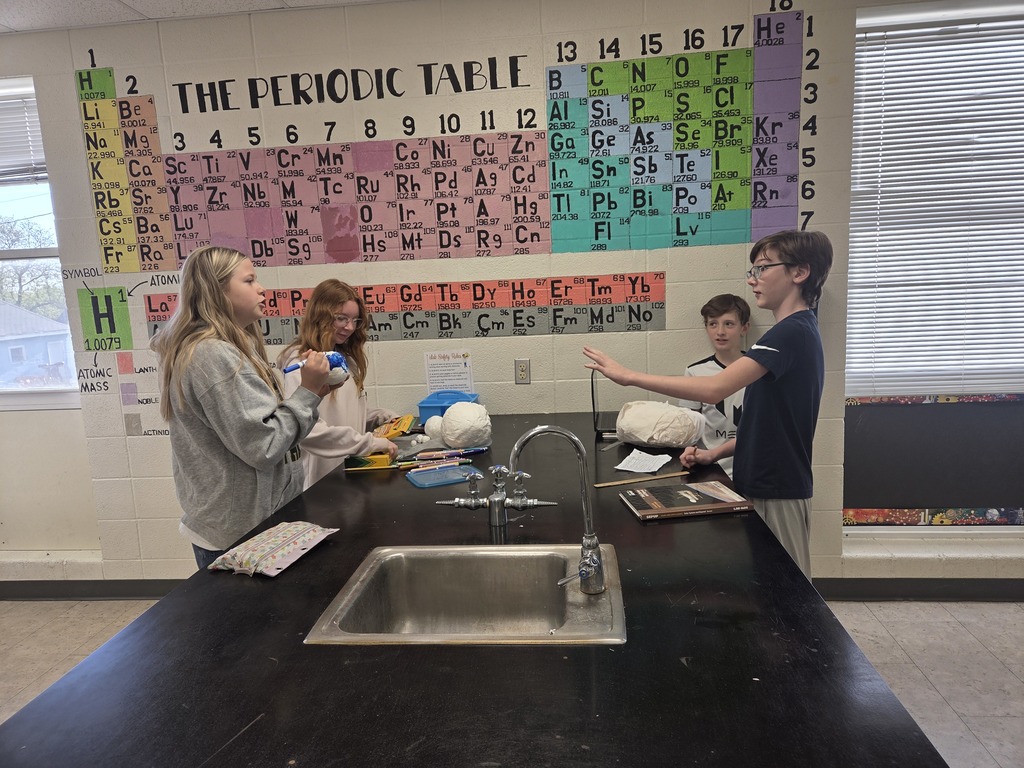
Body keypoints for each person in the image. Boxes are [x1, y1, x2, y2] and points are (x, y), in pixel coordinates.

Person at [584, 230, 833, 577]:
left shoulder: (792, 332)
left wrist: (628, 376)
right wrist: (711, 454)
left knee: (791, 597)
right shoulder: (789, 333)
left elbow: (714, 388)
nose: (752, 279)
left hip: (778, 488)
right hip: (761, 482)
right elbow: (765, 425)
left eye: (762, 269)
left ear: (799, 272)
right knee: (767, 588)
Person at [152, 245, 331, 570]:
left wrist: (314, 392)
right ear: (217, 291)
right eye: (249, 280)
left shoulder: (233, 350)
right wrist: (307, 391)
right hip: (240, 535)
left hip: (259, 525)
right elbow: (264, 445)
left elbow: (271, 430)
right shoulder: (213, 356)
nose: (261, 289)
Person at [278, 279, 399, 490]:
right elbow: (309, 431)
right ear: (320, 316)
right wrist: (368, 444)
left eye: (355, 320)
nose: (350, 327)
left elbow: (341, 411)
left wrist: (381, 417)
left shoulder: (345, 360)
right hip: (320, 483)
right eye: (341, 318)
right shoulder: (302, 365)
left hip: (350, 472)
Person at [678, 294, 751, 478]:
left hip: (752, 467)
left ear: (744, 328)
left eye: (729, 324)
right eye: (713, 324)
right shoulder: (695, 372)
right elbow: (689, 428)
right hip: (712, 469)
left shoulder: (758, 369)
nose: (720, 331)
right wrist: (690, 452)